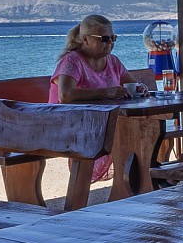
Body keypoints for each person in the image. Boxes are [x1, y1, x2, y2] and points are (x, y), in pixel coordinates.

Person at [51, 15, 143, 184]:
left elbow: (132, 84)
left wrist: (140, 88)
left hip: (98, 121)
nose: (110, 43)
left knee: (143, 130)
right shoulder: (72, 61)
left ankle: (134, 184)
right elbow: (65, 95)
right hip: (67, 124)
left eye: (113, 38)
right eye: (105, 39)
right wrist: (106, 92)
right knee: (131, 133)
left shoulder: (113, 61)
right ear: (85, 39)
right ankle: (131, 185)